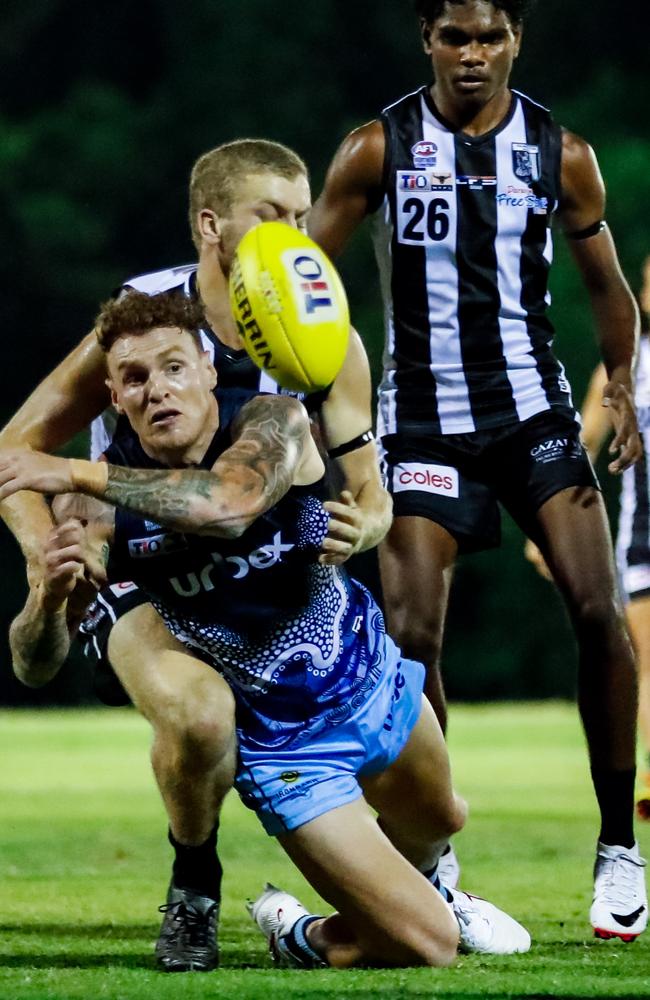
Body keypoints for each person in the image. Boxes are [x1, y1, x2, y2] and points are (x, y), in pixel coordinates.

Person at [0, 289, 531, 969]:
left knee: (441, 822)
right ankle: (299, 933)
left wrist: (68, 465)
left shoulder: (271, 421)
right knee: (429, 946)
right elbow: (35, 665)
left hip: (369, 675)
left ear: (208, 371)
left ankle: (416, 890)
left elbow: (229, 504)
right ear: (113, 396)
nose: (157, 390)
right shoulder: (94, 512)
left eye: (173, 368)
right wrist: (47, 600)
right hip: (286, 750)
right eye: (135, 378)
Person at [0, 138, 394, 971]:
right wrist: (50, 558)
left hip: (269, 561)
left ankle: (421, 872)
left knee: (372, 703)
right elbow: (17, 447)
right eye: (274, 214)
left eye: (303, 213)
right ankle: (195, 887)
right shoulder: (148, 312)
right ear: (213, 225)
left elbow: (371, 490)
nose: (298, 232)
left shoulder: (323, 328)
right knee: (199, 713)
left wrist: (369, 523)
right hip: (142, 561)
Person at [308, 0, 647, 939]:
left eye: (488, 37)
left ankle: (620, 849)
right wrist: (295, 400)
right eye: (454, 37)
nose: (471, 55)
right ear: (426, 39)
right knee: (413, 640)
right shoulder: (375, 148)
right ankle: (434, 860)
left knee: (596, 607)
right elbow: (300, 273)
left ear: (516, 41)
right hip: (419, 426)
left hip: (531, 415)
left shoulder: (559, 152)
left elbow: (606, 283)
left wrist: (619, 383)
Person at [526, 255, 650, 821]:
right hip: (643, 532)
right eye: (645, 283)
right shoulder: (621, 370)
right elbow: (580, 444)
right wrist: (548, 526)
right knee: (647, 659)